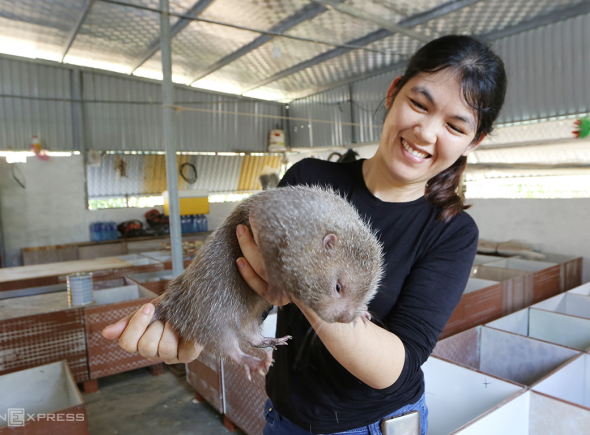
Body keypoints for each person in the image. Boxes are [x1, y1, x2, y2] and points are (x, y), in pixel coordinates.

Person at [102, 34, 507, 435]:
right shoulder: (309, 179)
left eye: (455, 126)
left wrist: (300, 289)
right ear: (393, 93)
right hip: (284, 416)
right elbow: (255, 284)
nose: (425, 132)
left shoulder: (451, 232)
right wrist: (198, 320)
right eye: (419, 104)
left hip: (376, 425)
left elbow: (397, 366)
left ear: (475, 141)